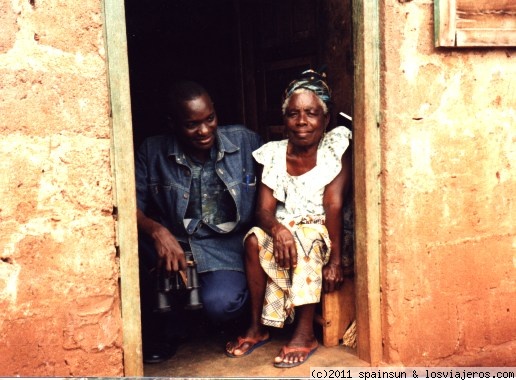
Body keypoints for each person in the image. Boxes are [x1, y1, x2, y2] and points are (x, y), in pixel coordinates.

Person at [225, 69, 353, 368]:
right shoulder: (273, 153)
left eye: (311, 113)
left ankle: (305, 334)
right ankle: (257, 329)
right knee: (254, 239)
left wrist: (335, 262)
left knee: (305, 238)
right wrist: (278, 228)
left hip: (323, 231)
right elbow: (263, 210)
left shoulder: (335, 147)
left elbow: (333, 205)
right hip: (284, 229)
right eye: (294, 114)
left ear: (325, 118)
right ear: (285, 120)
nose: (302, 121)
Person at [135, 80, 262, 363]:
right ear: (172, 123)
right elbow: (129, 205)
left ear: (216, 112)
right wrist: (157, 232)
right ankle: (166, 328)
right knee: (134, 248)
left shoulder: (245, 141)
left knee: (221, 305)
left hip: (224, 247)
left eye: (210, 119)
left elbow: (277, 180)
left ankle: (196, 317)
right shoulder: (152, 151)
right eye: (192, 124)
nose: (204, 130)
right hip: (173, 242)